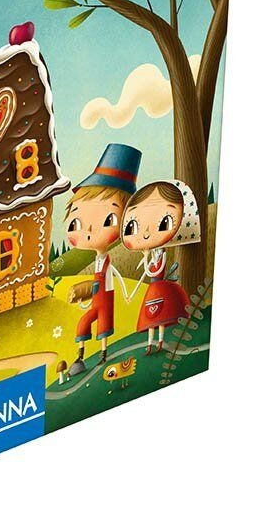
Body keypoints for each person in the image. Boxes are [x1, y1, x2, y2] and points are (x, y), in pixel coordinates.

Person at [65, 144, 141, 374]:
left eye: (108, 220)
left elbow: (114, 277)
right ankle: (80, 356)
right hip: (96, 301)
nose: (88, 231)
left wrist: (127, 293)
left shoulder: (107, 263)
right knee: (83, 323)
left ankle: (104, 353)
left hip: (106, 301)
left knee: (104, 328)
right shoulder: (98, 261)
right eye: (76, 222)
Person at [121, 180, 202, 354]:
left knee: (161, 320)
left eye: (165, 222)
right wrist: (132, 293)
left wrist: (148, 260)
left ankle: (159, 342)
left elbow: (156, 271)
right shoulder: (150, 257)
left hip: (160, 290)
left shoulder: (161, 255)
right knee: (151, 321)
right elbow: (145, 275)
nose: (146, 234)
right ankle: (150, 343)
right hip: (152, 291)